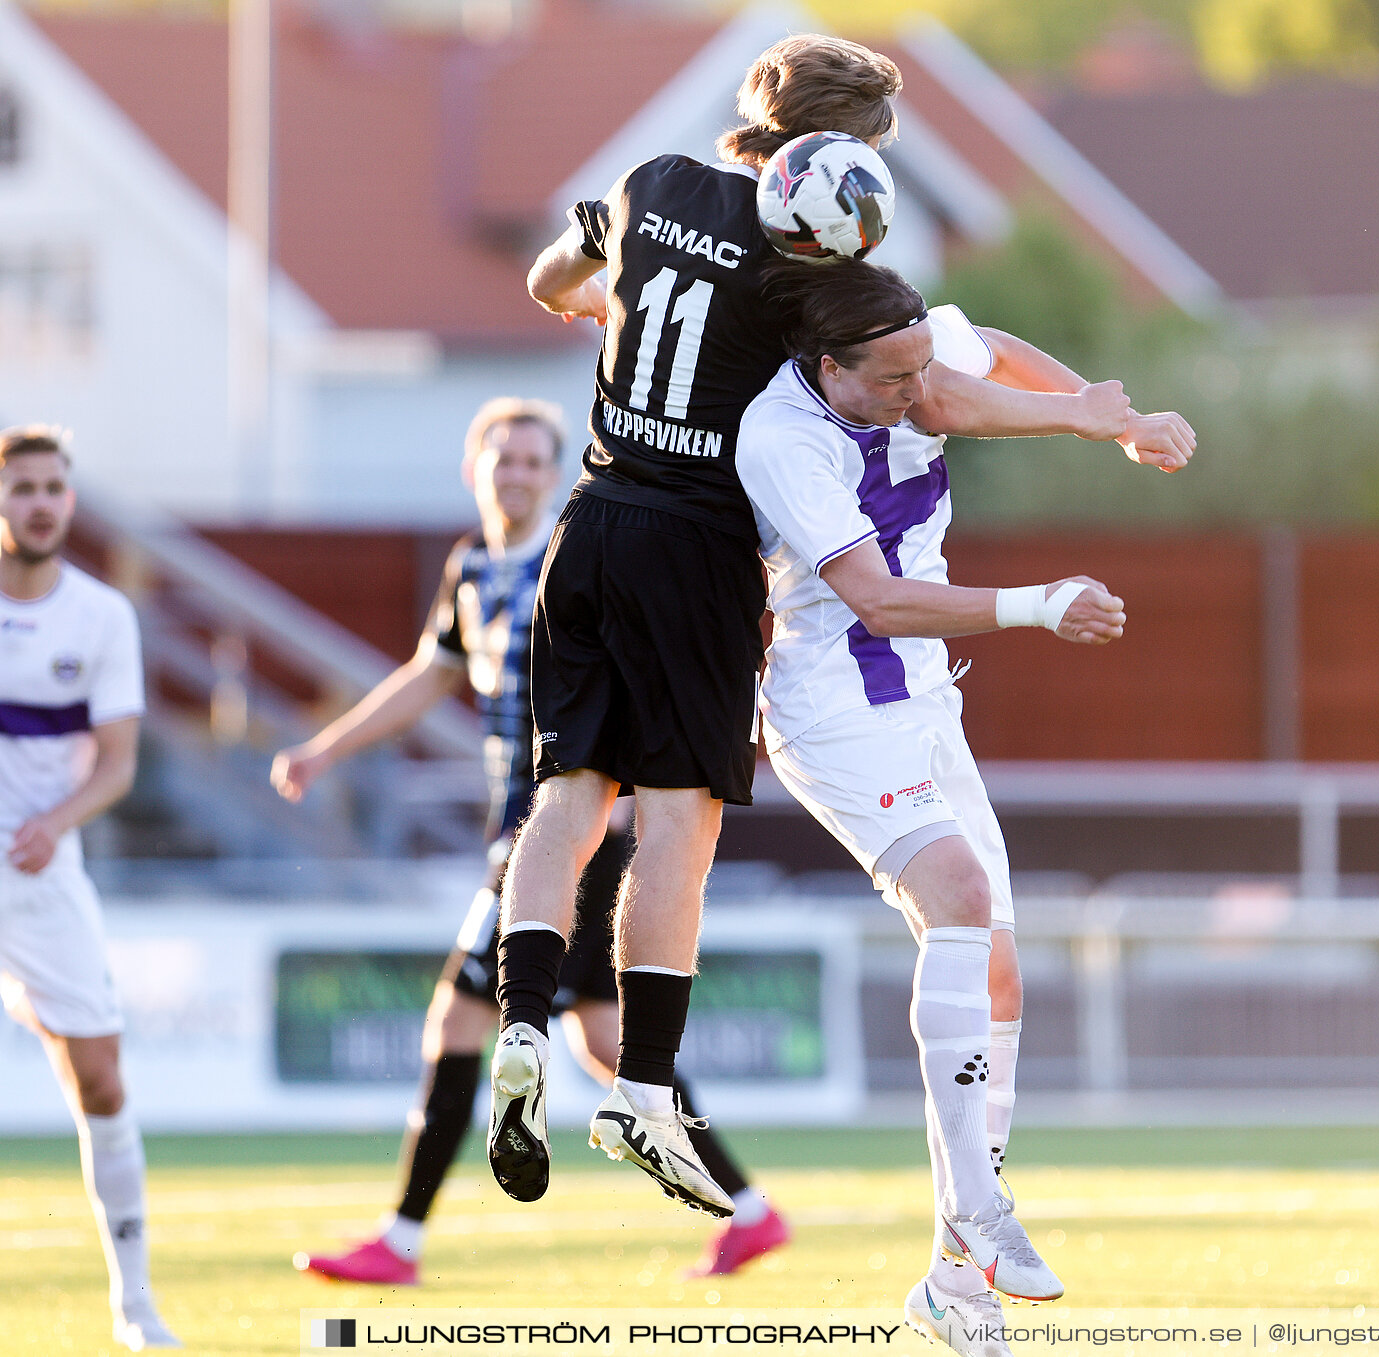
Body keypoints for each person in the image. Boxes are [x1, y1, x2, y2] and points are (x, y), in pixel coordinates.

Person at [497, 32, 1161, 1214]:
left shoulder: (649, 183)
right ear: (842, 154)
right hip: (697, 550)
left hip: (589, 519)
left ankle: (520, 1031)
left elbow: (553, 284)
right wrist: (1089, 414)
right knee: (678, 826)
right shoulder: (814, 276)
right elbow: (941, 382)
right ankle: (645, 1091)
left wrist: (627, 313)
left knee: (566, 796)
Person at [733, 264, 1193, 1356]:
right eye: (891, 381)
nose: (916, 393)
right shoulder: (780, 436)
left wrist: (1105, 417)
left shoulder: (911, 350)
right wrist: (1042, 604)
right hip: (834, 699)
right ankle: (978, 1209)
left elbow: (983, 341)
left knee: (997, 962)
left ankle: (952, 1282)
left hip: (925, 694)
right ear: (828, 365)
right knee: (959, 896)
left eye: (917, 371)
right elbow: (880, 602)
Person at [273, 400, 785, 1284]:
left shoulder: (577, 557)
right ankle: (750, 1210)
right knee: (601, 1040)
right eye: (500, 458)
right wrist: (324, 750)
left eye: (531, 459)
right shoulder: (469, 568)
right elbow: (423, 679)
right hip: (527, 837)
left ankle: (400, 1240)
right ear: (474, 468)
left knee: (460, 1022)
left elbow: (636, 688)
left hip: (559, 843)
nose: (515, 473)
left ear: (555, 472)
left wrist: (620, 814)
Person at [0, 425, 180, 1351]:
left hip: (37, 872)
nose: (38, 502)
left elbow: (116, 764)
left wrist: (54, 821)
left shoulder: (103, 615)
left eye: (52, 487)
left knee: (100, 1079)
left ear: (68, 501)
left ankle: (134, 1304)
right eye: (23, 486)